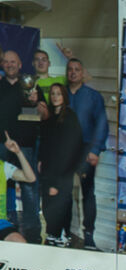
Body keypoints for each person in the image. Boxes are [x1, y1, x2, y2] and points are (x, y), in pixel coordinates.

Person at [33, 81, 82, 245]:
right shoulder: (50, 116)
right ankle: (53, 234)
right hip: (48, 168)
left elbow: (68, 150)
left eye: (58, 94)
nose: (55, 97)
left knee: (59, 203)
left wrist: (56, 181)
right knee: (47, 203)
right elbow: (45, 141)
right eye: (52, 94)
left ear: (64, 96)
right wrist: (41, 160)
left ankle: (61, 235)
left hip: (62, 171)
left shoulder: (69, 117)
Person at [63, 58, 104, 248]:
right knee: (63, 192)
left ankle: (88, 235)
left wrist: (95, 150)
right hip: (63, 150)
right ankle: (64, 231)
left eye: (77, 69)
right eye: (70, 69)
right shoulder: (60, 93)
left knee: (87, 193)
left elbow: (101, 125)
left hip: (86, 150)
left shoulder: (93, 96)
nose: (73, 72)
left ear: (82, 73)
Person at [1, 51, 39, 243]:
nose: (9, 65)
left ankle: (33, 233)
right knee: (5, 186)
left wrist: (35, 103)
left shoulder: (30, 86)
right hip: (1, 144)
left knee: (29, 189)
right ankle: (9, 224)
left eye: (13, 62)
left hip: (24, 145)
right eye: (6, 62)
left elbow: (41, 116)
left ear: (20, 64)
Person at [1, 134, 35, 241]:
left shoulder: (3, 167)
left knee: (18, 241)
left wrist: (18, 153)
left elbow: (30, 178)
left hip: (1, 222)